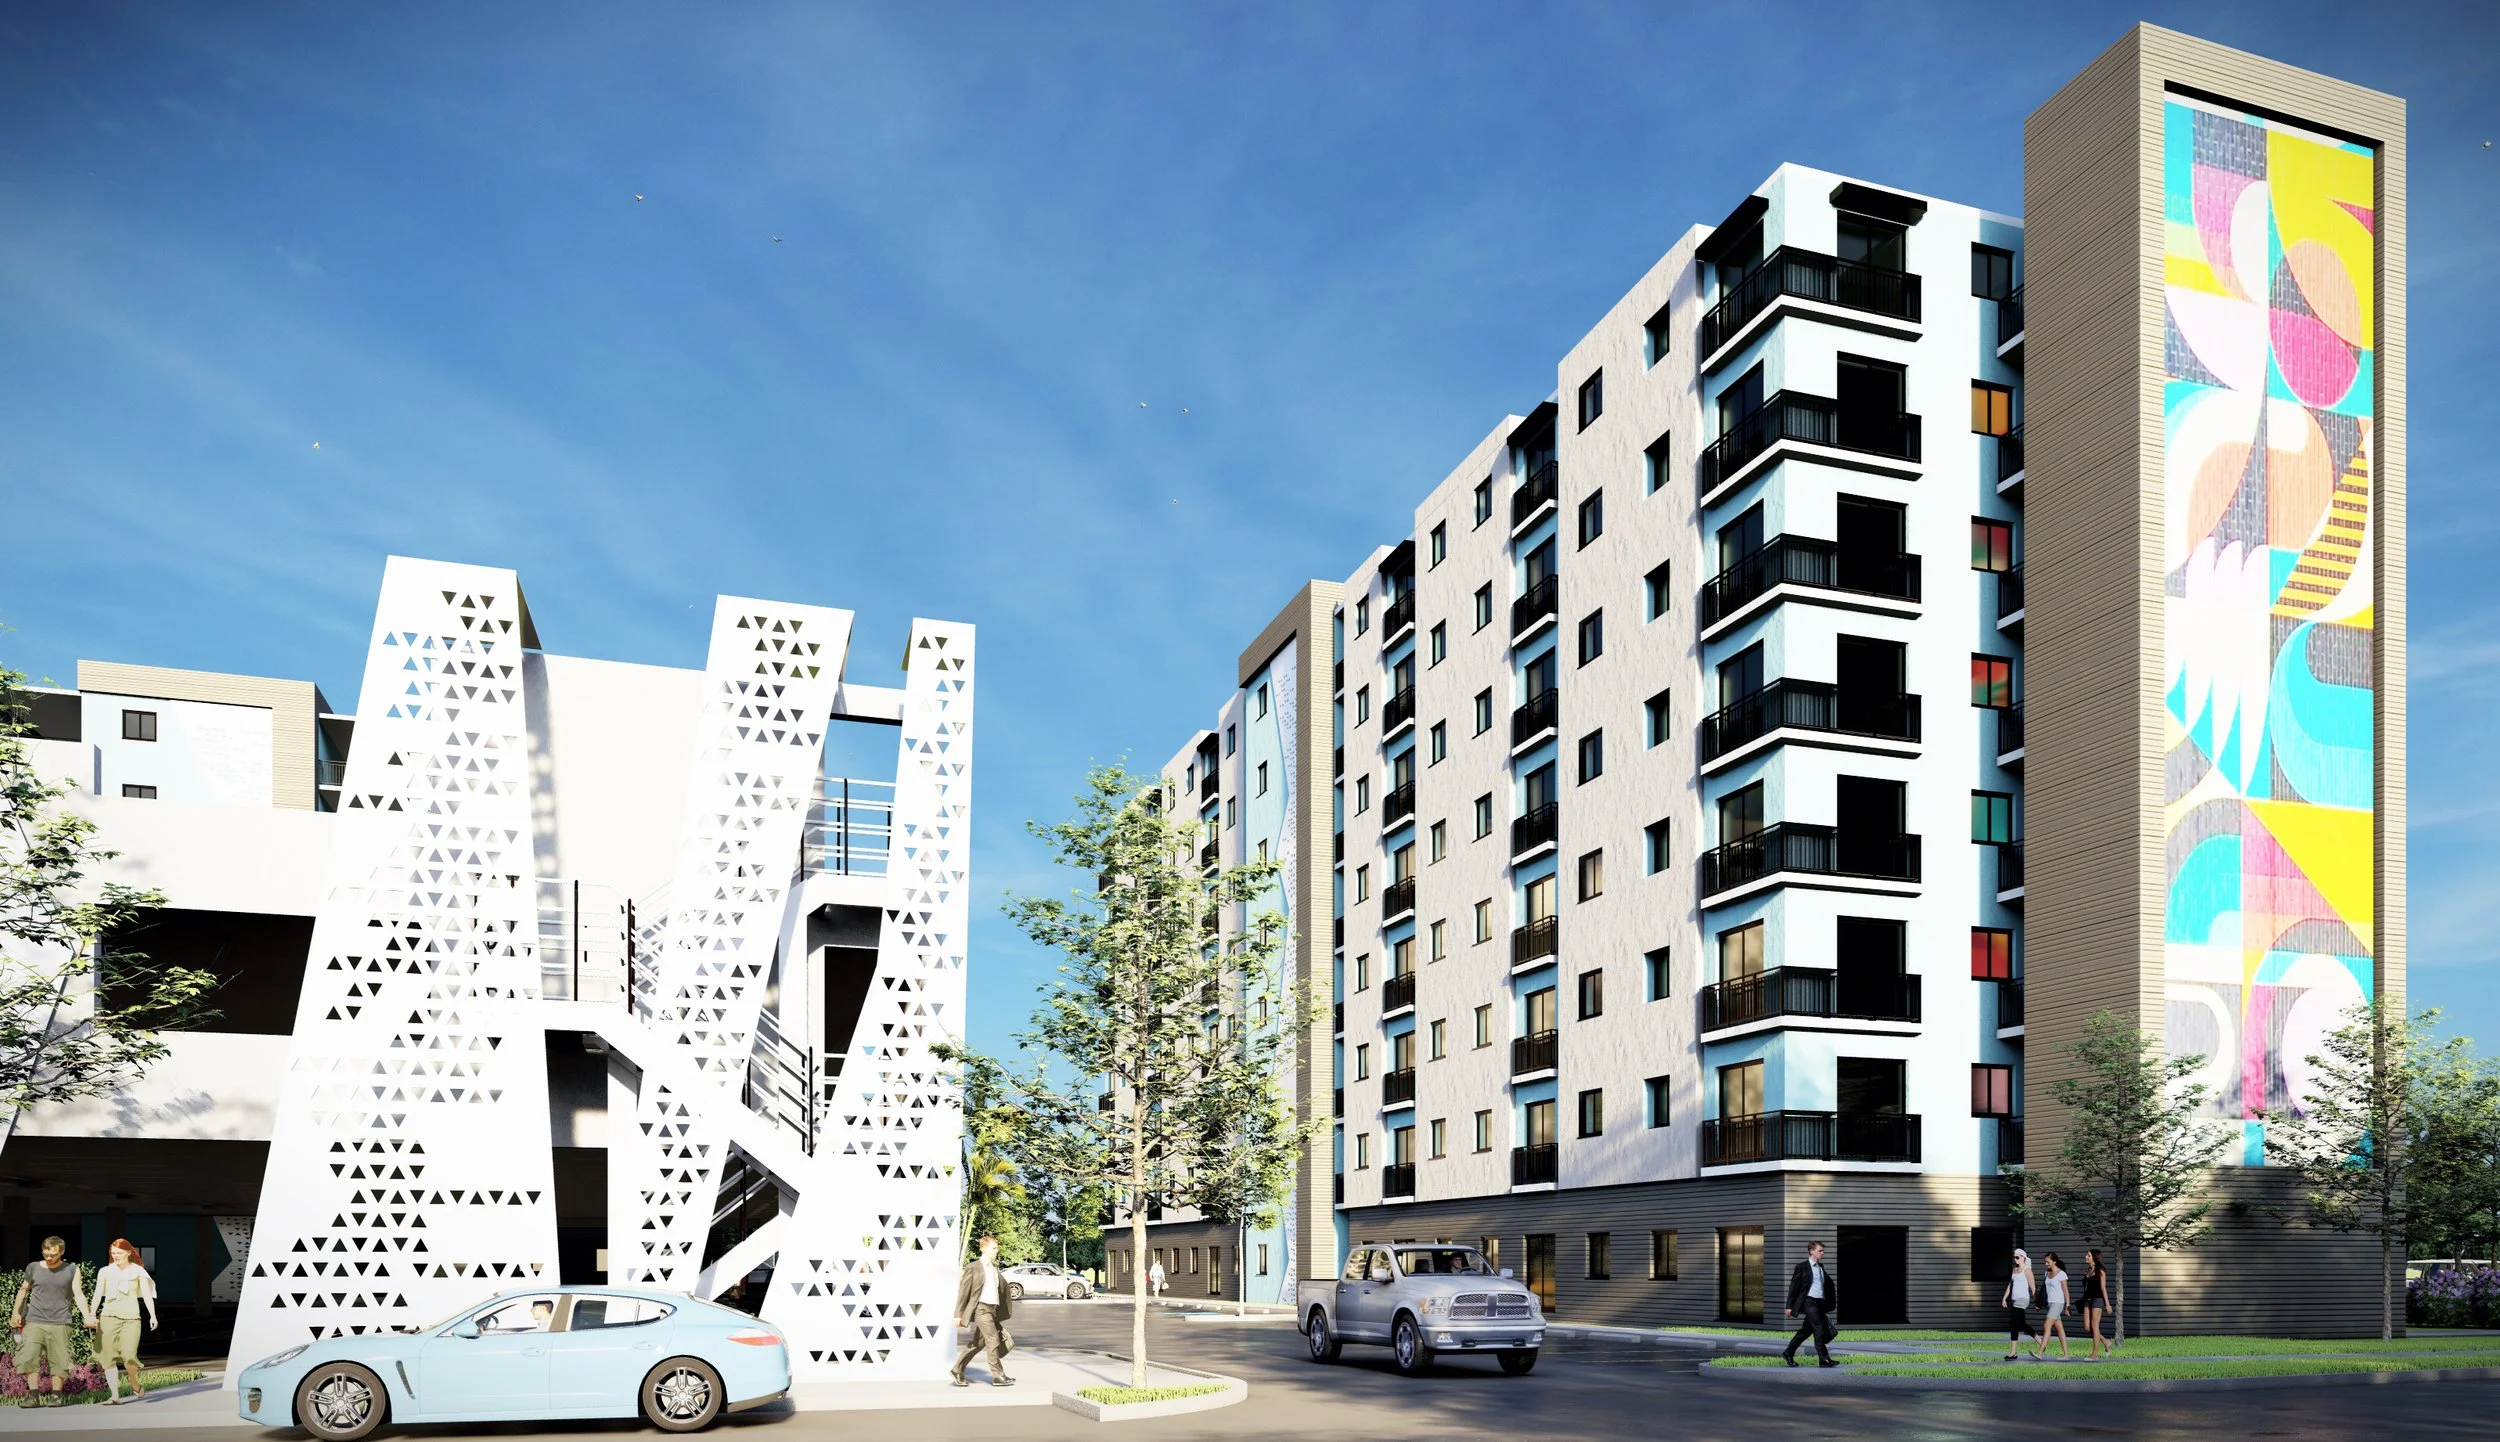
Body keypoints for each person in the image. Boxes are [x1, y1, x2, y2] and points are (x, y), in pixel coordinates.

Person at [10, 1237, 96, 1407]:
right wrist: (15, 1313)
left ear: (62, 1252)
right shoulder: (33, 1267)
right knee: (27, 1357)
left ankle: (56, 1395)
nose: (49, 1257)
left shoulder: (71, 1269)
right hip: (34, 1321)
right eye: (46, 1253)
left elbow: (78, 1294)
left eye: (53, 1255)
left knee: (60, 1361)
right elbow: (23, 1290)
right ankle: (33, 1395)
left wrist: (87, 1316)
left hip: (61, 1322)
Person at [93, 1239, 159, 1405]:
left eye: (119, 1253)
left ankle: (133, 1380)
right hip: (108, 1317)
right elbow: (97, 1294)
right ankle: (115, 1396)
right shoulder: (105, 1271)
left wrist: (153, 1315)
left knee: (129, 1356)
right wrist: (91, 1314)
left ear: (129, 1252)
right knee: (108, 1357)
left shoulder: (138, 1271)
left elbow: (146, 1294)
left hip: (131, 1319)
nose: (116, 1256)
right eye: (113, 1253)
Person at [951, 1235, 1016, 1388]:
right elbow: (963, 1292)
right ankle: (998, 1375)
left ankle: (957, 1369)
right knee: (993, 1340)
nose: (996, 1251)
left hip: (992, 1310)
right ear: (983, 1248)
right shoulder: (973, 1267)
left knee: (977, 1344)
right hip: (981, 1309)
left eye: (996, 1248)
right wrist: (958, 1314)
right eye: (994, 1248)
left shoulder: (994, 1269)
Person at [1780, 1239, 1839, 1368]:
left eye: (1823, 1251)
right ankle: (1824, 1359)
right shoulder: (1801, 1267)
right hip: (1808, 1301)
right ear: (1812, 1251)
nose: (1822, 1253)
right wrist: (1789, 1306)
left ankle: (1788, 1353)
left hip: (1819, 1303)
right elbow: (1793, 1287)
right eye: (1820, 1251)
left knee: (1806, 1331)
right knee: (1818, 1328)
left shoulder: (1820, 1267)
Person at [2001, 1247, 2040, 1362]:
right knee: (2021, 1325)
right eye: (2014, 1257)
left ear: (2023, 1257)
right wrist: (2004, 1298)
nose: (2015, 1259)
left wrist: (2036, 1302)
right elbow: (2010, 1286)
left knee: (2013, 1324)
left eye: (2017, 1257)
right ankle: (2040, 1340)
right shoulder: (2014, 1270)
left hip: (2023, 1299)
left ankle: (2013, 1352)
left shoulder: (2027, 1271)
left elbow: (2033, 1288)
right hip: (2015, 1299)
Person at [2036, 1252, 2071, 1361]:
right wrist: (2039, 1303)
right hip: (2049, 1304)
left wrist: (2067, 1306)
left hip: (2058, 1303)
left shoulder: (2062, 1274)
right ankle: (2066, 1354)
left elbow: (2066, 1291)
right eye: (2045, 1262)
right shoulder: (2046, 1273)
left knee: (2047, 1325)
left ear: (2054, 1261)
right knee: (2060, 1329)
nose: (2046, 1264)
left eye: (2048, 1262)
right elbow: (2044, 1290)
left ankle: (2040, 1352)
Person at [2080, 1249, 2111, 1361]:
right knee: (2087, 1327)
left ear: (2094, 1257)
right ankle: (2106, 1342)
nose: (2086, 1257)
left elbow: (2103, 1288)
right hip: (2087, 1300)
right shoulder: (2088, 1270)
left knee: (2095, 1326)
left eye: (2088, 1255)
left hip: (2097, 1300)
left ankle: (2095, 1354)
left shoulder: (2100, 1271)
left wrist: (2107, 1305)